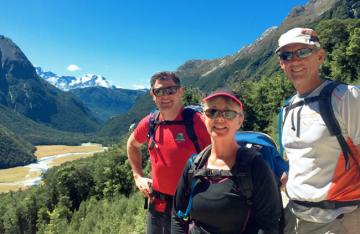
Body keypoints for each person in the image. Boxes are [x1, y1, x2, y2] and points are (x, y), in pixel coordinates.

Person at [277, 27, 360, 233]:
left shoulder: (346, 97)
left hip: (339, 218)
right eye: (286, 55)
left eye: (303, 52)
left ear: (320, 56)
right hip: (295, 217)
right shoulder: (287, 109)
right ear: (281, 64)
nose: (294, 61)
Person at [172, 90, 282, 234]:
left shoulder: (255, 166)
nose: (219, 118)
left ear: (240, 120)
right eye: (212, 112)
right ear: (204, 118)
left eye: (228, 113)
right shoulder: (194, 165)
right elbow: (177, 217)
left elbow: (268, 224)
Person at [127, 71, 211, 234]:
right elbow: (132, 144)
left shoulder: (198, 122)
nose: (165, 96)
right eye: (159, 91)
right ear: (153, 95)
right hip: (157, 205)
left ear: (181, 91)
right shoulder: (151, 122)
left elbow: (222, 155)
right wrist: (137, 176)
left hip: (190, 206)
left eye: (170, 90)